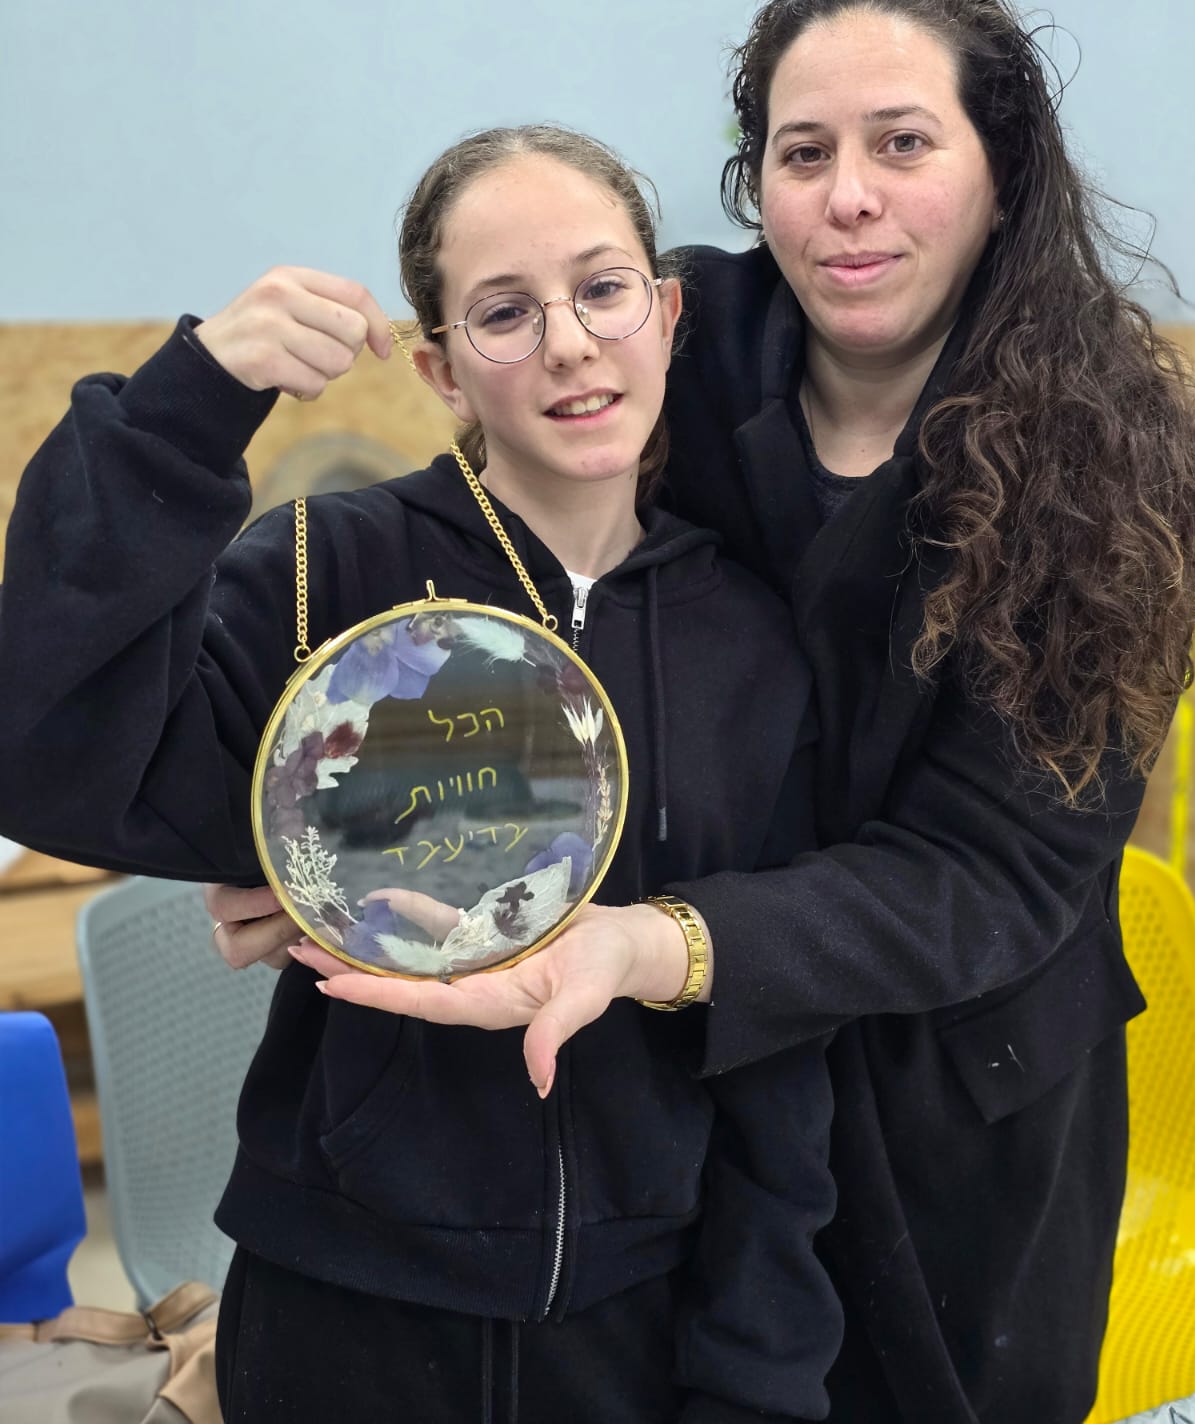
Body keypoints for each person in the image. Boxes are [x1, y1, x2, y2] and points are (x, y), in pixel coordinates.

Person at [268, 0, 1195, 1424]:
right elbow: (499, 605)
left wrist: (656, 943)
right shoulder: (665, 342)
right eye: (802, 152)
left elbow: (994, 872)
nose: (849, 197)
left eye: (904, 143)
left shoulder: (1117, 469)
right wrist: (325, 835)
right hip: (675, 1109)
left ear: (1004, 169)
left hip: (950, 1101)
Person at [0, 126, 843, 1422]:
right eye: (504, 312)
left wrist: (759, 1371)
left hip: (640, 1321)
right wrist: (182, 412)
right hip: (344, 1307)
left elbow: (778, 1035)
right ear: (442, 369)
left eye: (602, 288)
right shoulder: (323, 570)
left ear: (667, 316)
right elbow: (48, 755)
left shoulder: (751, 637)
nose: (568, 343)